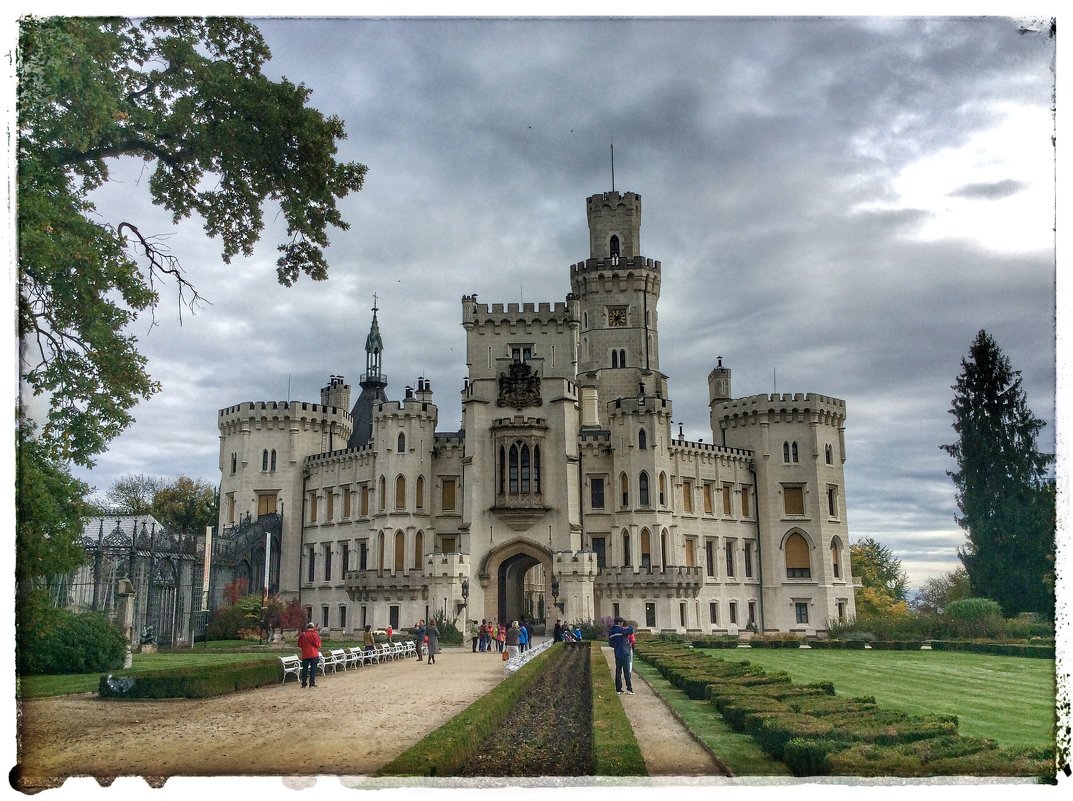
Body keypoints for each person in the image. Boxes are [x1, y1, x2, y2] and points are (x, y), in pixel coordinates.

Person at [608, 616, 635, 694]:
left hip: (617, 652)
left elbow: (610, 644)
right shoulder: (621, 629)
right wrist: (628, 625)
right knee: (626, 671)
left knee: (618, 671)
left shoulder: (611, 631)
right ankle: (629, 689)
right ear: (619, 623)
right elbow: (631, 631)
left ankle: (618, 689)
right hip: (625, 652)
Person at [297, 622, 321, 688]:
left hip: (305, 654)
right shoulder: (315, 634)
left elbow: (299, 644)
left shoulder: (303, 634)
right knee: (313, 669)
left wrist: (304, 647)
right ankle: (311, 683)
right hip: (313, 654)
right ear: (312, 627)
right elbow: (318, 644)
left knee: (305, 669)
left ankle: (304, 683)